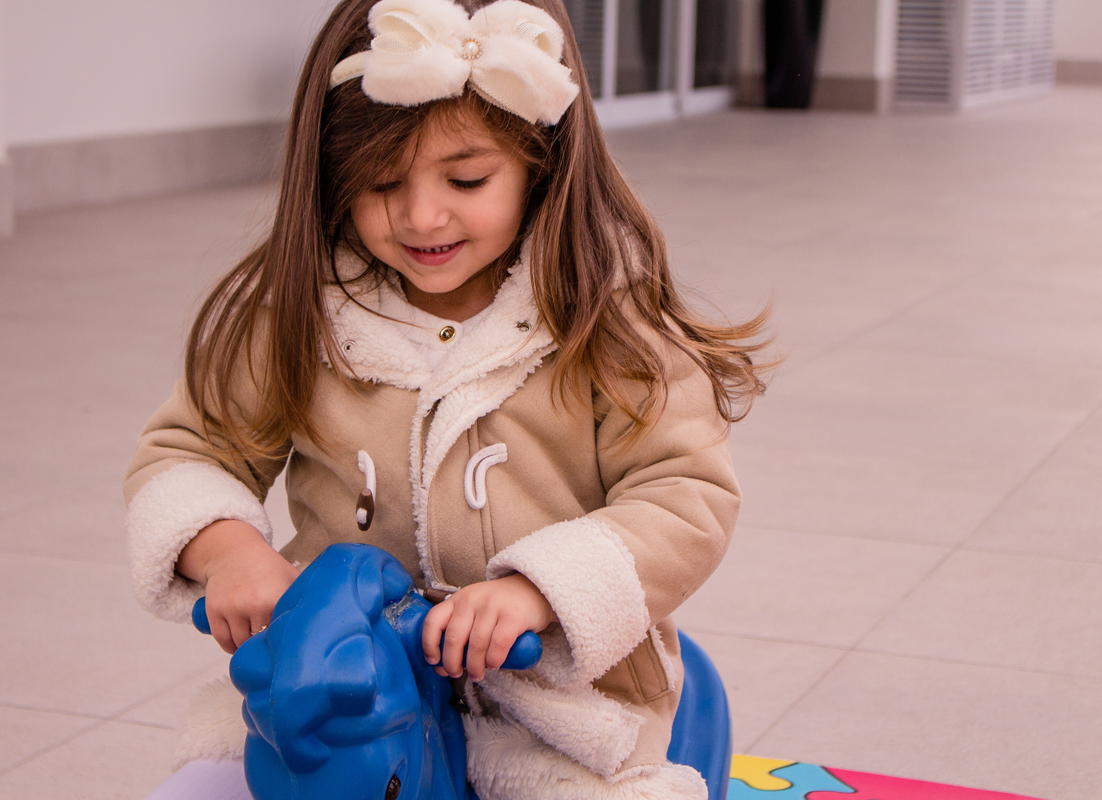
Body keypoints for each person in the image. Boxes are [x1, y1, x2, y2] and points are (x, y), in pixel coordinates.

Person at [125, 0, 770, 797]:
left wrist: (539, 591)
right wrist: (228, 551)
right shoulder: (300, 311)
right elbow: (188, 452)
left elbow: (685, 493)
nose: (420, 215)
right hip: (343, 682)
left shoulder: (611, 318)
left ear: (540, 161)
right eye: (379, 182)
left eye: (467, 179)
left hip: (555, 706)